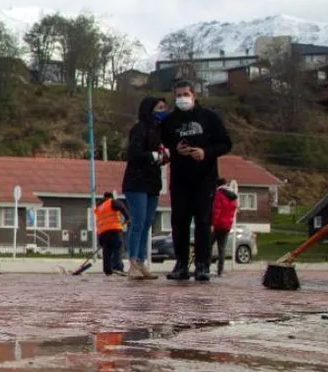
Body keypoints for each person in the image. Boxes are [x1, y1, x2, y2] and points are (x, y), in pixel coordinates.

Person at [160, 80, 232, 282]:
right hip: (180, 178)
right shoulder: (170, 121)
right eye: (178, 95)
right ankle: (181, 264)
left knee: (203, 222)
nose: (182, 98)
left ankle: (203, 265)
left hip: (205, 178)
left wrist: (206, 152)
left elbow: (226, 143)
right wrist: (176, 149)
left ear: (194, 95)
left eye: (185, 94)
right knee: (179, 222)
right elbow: (163, 144)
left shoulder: (209, 118)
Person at [121, 96, 169, 280]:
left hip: (152, 182)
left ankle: (141, 260)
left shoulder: (160, 130)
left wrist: (165, 156)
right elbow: (134, 153)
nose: (162, 111)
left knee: (148, 222)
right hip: (136, 182)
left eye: (164, 107)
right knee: (138, 221)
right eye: (159, 107)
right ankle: (133, 261)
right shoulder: (139, 129)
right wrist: (153, 156)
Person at [93, 191, 129, 276]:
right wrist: (127, 218)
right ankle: (117, 267)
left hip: (103, 232)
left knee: (106, 251)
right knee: (117, 248)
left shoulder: (99, 207)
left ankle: (107, 270)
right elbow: (121, 207)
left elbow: (100, 221)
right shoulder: (112, 202)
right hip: (114, 230)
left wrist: (100, 239)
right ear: (111, 197)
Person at [210, 177, 239, 276]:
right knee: (222, 248)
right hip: (227, 226)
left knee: (208, 245)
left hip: (218, 225)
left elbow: (217, 211)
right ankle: (220, 270)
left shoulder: (219, 194)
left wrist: (213, 224)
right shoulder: (232, 196)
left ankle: (206, 267)